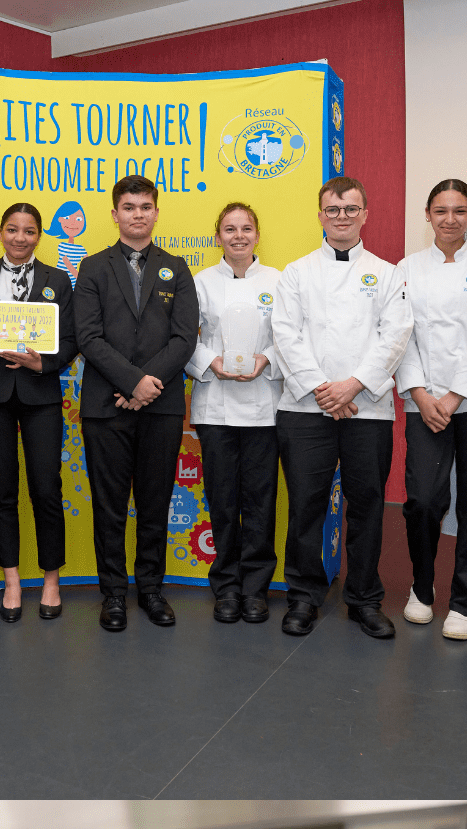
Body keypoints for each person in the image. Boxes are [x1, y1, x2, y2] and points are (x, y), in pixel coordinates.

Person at [271, 175, 413, 640]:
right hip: (305, 408)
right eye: (333, 210)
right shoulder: (295, 272)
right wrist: (321, 389)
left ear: (365, 215)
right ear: (320, 216)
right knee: (307, 506)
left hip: (366, 408)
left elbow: (395, 336)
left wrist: (351, 386)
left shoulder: (388, 273)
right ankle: (304, 597)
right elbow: (286, 334)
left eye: (351, 209)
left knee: (368, 505)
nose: (342, 218)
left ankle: (364, 598)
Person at [73, 175, 200, 632]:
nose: (138, 214)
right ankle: (112, 595)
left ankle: (150, 589)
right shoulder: (92, 268)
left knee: (154, 501)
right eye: (129, 207)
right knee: (108, 504)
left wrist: (148, 385)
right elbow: (87, 336)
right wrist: (131, 382)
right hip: (106, 405)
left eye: (146, 206)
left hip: (161, 406)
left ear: (157, 212)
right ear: (115, 214)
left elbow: (185, 337)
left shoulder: (177, 268)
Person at [396, 180, 467, 642]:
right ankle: (422, 590)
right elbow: (400, 333)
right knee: (422, 500)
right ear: (427, 215)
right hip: (424, 400)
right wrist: (422, 394)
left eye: (459, 210)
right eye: (441, 210)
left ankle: (464, 600)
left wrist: (456, 394)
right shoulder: (406, 268)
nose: (450, 219)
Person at [0, 202, 76, 622]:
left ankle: (50, 579)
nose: (20, 238)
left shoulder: (58, 279)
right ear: (1, 232)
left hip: (41, 396)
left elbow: (71, 339)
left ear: (39, 236)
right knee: (2, 489)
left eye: (29, 231)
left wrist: (42, 363)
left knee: (46, 488)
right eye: (13, 229)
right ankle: (10, 579)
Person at [185, 201, 283, 624]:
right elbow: (183, 337)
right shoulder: (200, 282)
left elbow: (293, 338)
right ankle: (226, 585)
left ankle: (256, 588)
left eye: (246, 228)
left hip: (264, 407)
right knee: (222, 501)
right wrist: (210, 363)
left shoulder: (281, 281)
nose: (238, 235)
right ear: (217, 236)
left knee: (261, 501)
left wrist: (266, 359)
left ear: (257, 235)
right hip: (216, 409)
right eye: (230, 229)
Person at [44, 200, 89, 275]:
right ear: (60, 220)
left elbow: (88, 263)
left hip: (75, 282)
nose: (73, 223)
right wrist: (79, 277)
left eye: (78, 219)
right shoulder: (62, 246)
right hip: (60, 280)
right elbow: (67, 263)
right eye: (67, 218)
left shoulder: (81, 249)